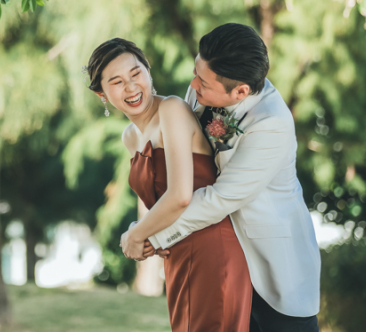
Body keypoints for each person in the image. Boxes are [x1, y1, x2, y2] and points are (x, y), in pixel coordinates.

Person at [136, 23, 321, 332]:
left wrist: (150, 237)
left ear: (240, 92)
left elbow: (219, 199)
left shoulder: (271, 124)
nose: (193, 86)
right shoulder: (202, 89)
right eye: (195, 72)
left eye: (203, 82)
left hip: (273, 268)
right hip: (222, 259)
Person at [86, 38, 252, 332]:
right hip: (176, 252)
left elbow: (179, 196)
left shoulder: (172, 110)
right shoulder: (130, 137)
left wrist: (134, 236)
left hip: (212, 249)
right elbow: (158, 201)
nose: (131, 87)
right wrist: (152, 236)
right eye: (116, 82)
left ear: (148, 71)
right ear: (102, 94)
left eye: (136, 73)